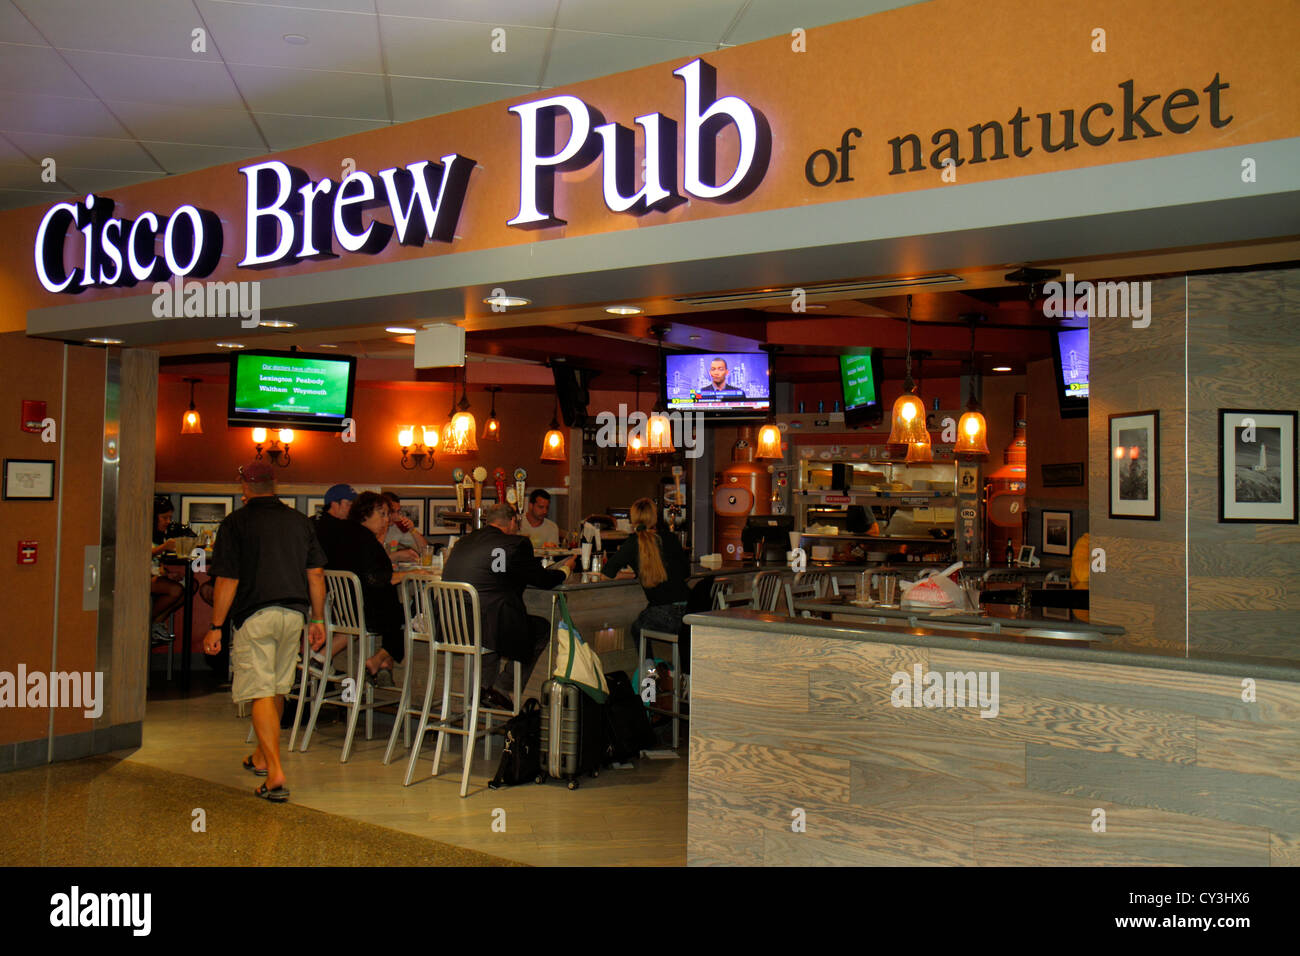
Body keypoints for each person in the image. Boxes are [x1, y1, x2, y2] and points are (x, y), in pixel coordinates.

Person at [205, 461, 327, 803]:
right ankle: (261, 756)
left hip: (256, 616)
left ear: (244, 487)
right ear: (276, 485)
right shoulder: (299, 522)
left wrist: (216, 627)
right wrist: (317, 620)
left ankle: (274, 773)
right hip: (293, 616)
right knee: (276, 687)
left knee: (260, 690)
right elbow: (315, 574)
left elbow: (228, 579)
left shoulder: (236, 523)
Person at [442, 502, 576, 710]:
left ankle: (484, 693)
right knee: (539, 629)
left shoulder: (462, 543)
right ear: (513, 521)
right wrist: (566, 570)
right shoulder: (515, 544)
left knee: (496, 630)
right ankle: (502, 687)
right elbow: (543, 580)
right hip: (486, 626)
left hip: (452, 625)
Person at [601, 497, 692, 648]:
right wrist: (637, 574)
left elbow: (606, 574)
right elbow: (686, 574)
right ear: (655, 517)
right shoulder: (670, 538)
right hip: (689, 610)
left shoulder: (632, 543)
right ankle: (672, 668)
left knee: (637, 629)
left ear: (633, 519)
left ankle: (649, 669)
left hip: (663, 613)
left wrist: (635, 574)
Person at [344, 491, 414, 681]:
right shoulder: (367, 542)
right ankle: (378, 660)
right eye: (381, 514)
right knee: (410, 613)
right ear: (365, 515)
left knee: (401, 614)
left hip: (347, 609)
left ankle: (383, 663)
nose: (386, 520)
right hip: (368, 612)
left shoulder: (350, 536)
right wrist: (410, 575)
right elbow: (378, 578)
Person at [381, 491, 428, 563]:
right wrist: (397, 556)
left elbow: (424, 551)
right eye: (393, 511)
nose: (397, 516)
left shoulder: (396, 528)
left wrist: (413, 530)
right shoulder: (371, 529)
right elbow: (372, 563)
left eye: (398, 511)